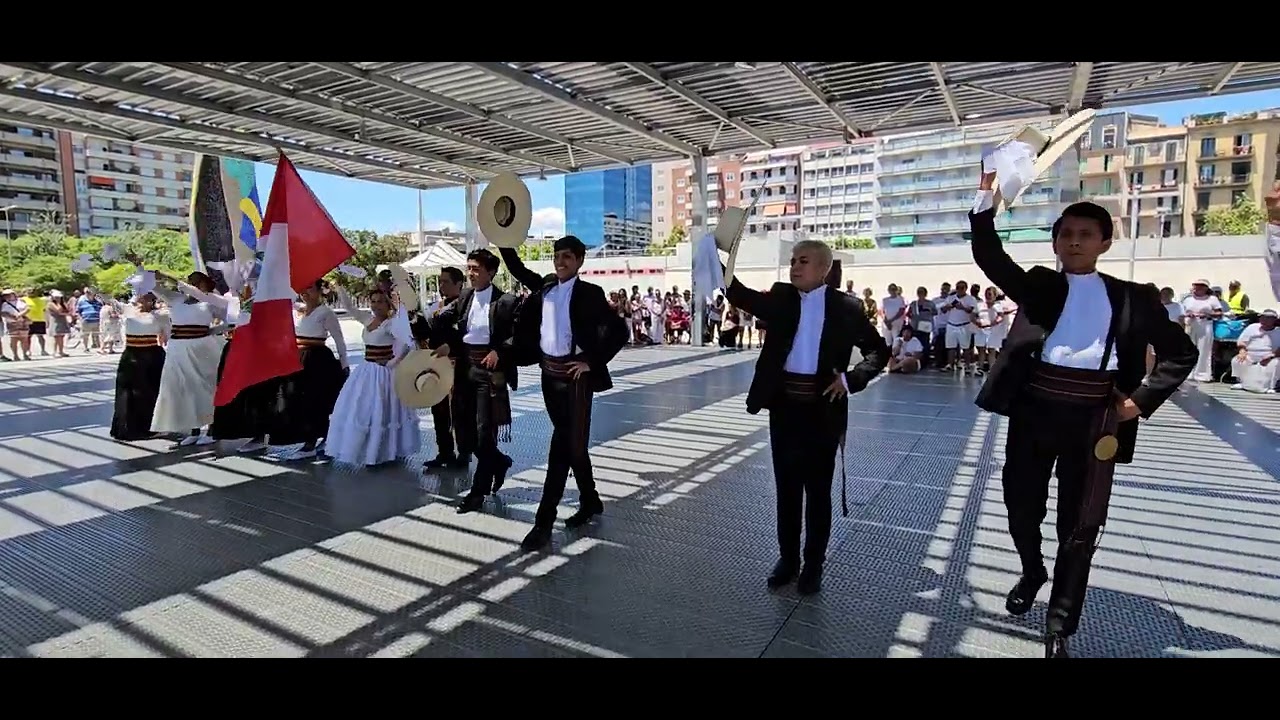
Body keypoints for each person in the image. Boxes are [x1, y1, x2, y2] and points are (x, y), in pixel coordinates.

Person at [969, 170, 1196, 658]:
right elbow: (989, 255)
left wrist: (1139, 401)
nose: (1074, 242)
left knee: (1081, 523)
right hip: (1035, 409)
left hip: (1095, 418)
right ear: (1055, 241)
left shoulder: (1134, 297)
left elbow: (1181, 353)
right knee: (1020, 505)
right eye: (1066, 234)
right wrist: (986, 196)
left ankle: (1060, 625)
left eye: (1086, 235)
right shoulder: (1039, 285)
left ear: (1105, 243)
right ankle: (1033, 570)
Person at [725, 240, 888, 595]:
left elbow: (878, 351)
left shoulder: (847, 307)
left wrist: (851, 379)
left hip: (822, 410)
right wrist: (717, 261)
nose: (794, 267)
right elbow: (740, 295)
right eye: (792, 261)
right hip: (785, 408)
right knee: (786, 489)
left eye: (803, 261)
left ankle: (813, 563)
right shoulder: (781, 297)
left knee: (817, 492)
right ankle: (788, 559)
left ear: (824, 269)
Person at [496, 236, 629, 551]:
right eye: (557, 256)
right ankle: (590, 499)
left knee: (561, 447)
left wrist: (591, 361)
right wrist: (503, 238)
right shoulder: (545, 287)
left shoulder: (590, 294)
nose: (560, 261)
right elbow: (517, 269)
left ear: (580, 260)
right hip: (549, 377)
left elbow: (619, 331)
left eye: (567, 256)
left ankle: (543, 522)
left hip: (575, 380)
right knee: (574, 446)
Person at [412, 249, 519, 513]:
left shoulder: (506, 301)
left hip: (488, 372)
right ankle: (499, 461)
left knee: (484, 432)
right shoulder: (465, 297)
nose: (471, 273)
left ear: (491, 272)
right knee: (463, 431)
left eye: (476, 269)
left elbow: (519, 335)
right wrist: (416, 315)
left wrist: (500, 351)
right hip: (465, 368)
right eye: (469, 268)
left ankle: (477, 492)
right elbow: (445, 327)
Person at [326, 286, 420, 466]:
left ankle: (383, 451)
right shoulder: (367, 319)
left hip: (383, 373)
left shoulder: (392, 324)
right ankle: (368, 450)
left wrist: (392, 362)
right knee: (364, 409)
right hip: (366, 370)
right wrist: (340, 288)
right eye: (373, 301)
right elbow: (350, 308)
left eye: (381, 302)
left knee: (383, 411)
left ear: (388, 304)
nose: (376, 305)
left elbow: (408, 343)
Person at [267, 279, 349, 460]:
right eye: (303, 288)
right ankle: (317, 437)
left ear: (320, 290)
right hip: (297, 359)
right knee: (296, 401)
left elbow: (339, 339)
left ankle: (311, 443)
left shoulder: (326, 313)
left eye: (310, 288)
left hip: (317, 360)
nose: (305, 292)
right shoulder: (299, 311)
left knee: (314, 401)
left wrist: (344, 365)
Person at [421, 266, 467, 471]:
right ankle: (444, 451)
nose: (441, 285)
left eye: (446, 281)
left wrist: (452, 345)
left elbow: (466, 333)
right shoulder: (437, 306)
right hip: (437, 364)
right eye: (440, 281)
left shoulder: (465, 305)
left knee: (458, 409)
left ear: (459, 283)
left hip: (457, 363)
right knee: (438, 409)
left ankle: (463, 452)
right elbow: (427, 332)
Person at [108, 290, 169, 441]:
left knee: (148, 392)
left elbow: (167, 335)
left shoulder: (160, 315)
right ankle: (125, 428)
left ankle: (148, 427)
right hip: (131, 354)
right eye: (140, 295)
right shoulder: (128, 310)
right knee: (127, 392)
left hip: (151, 355)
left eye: (146, 296)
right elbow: (110, 301)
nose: (142, 299)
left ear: (152, 299)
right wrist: (99, 293)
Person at [1181, 280, 1223, 383]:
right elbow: (1182, 312)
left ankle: (1202, 373)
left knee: (1204, 349)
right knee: (1189, 349)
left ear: (1206, 288)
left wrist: (1207, 314)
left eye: (1201, 286)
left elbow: (1219, 313)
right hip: (1190, 324)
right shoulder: (1188, 299)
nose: (1198, 288)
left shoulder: (1212, 299)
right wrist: (1188, 314)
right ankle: (1188, 372)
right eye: (1196, 285)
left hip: (1205, 325)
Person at [1230, 309, 1279, 393]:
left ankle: (1271, 386)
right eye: (1262, 317)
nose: (1264, 319)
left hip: (1269, 356)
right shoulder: (1252, 327)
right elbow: (1242, 341)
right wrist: (1242, 351)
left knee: (1276, 363)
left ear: (1274, 320)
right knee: (1237, 360)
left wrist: (1272, 356)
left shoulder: (1278, 331)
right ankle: (1241, 381)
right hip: (1250, 354)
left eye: (1268, 318)